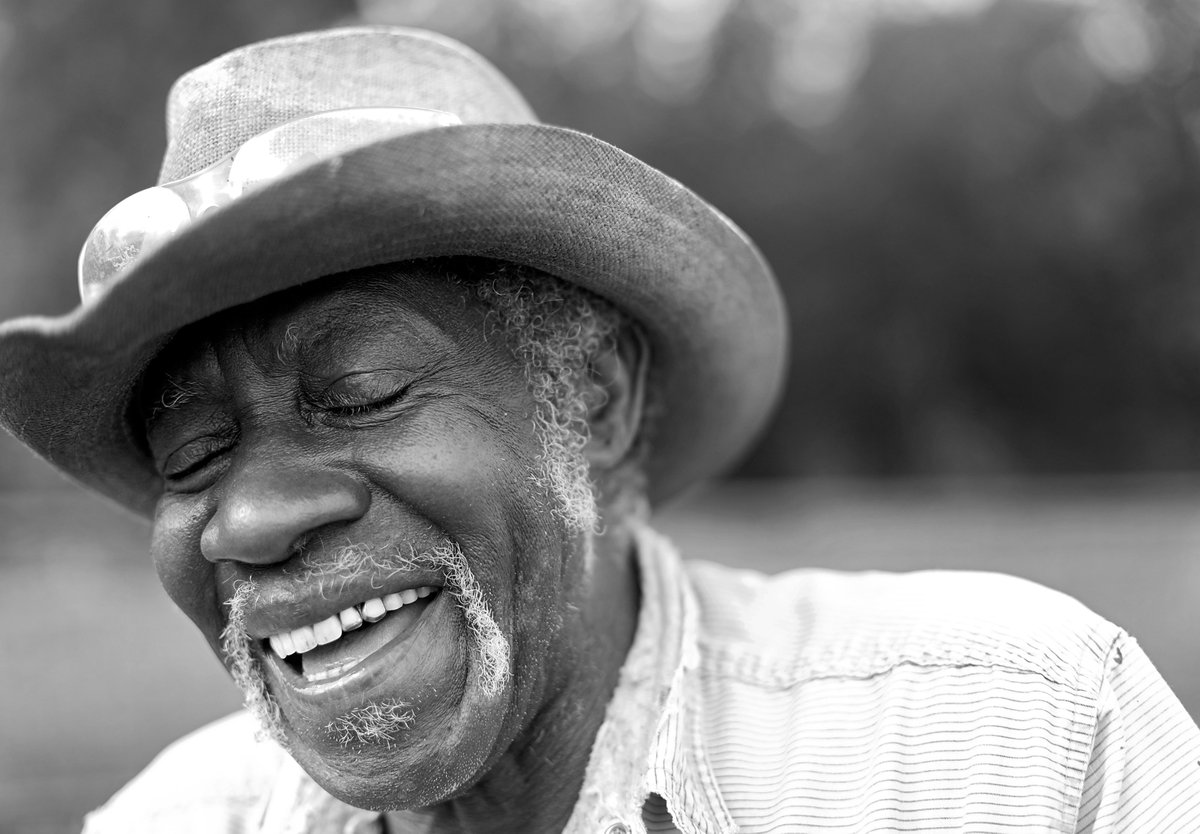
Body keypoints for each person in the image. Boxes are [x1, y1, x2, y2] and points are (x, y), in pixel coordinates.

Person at [1, 25, 1197, 834]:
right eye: (194, 456)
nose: (252, 521)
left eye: (359, 392)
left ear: (596, 401)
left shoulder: (1009, 748)